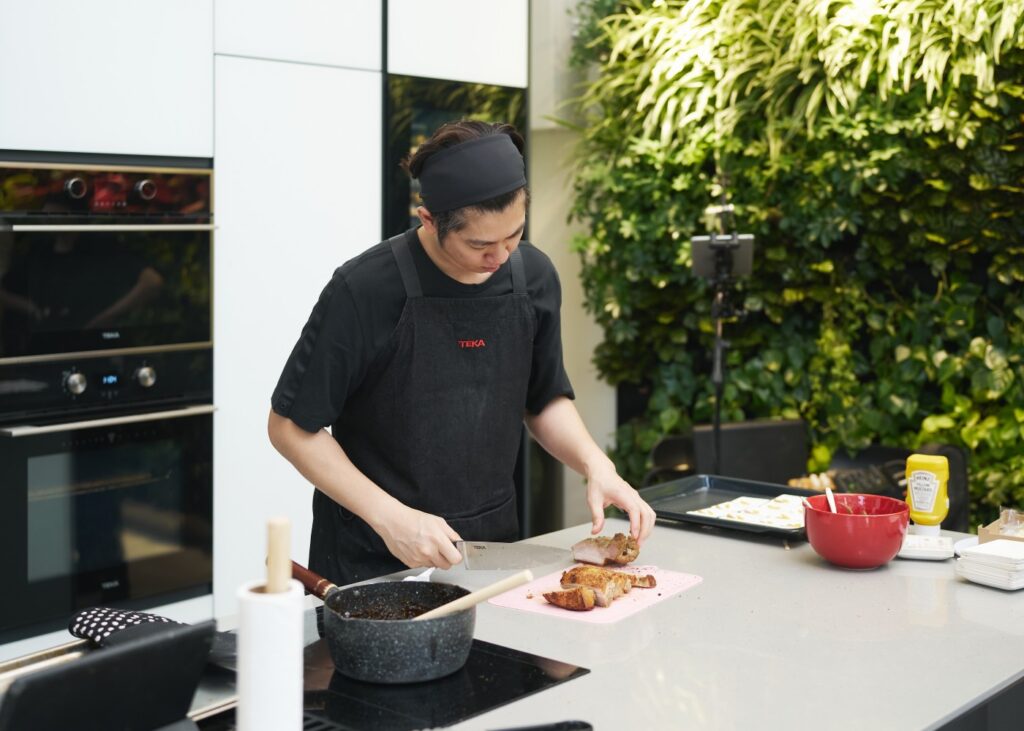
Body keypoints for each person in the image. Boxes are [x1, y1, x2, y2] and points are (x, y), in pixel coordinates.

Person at [268, 120, 655, 586]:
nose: (501, 257)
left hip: (493, 554)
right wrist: (391, 518)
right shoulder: (365, 289)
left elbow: (544, 398)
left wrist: (597, 465)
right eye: (480, 245)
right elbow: (290, 426)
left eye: (514, 236)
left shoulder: (532, 276)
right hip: (372, 557)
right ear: (428, 220)